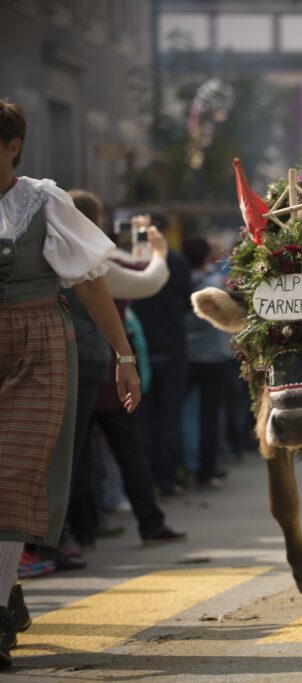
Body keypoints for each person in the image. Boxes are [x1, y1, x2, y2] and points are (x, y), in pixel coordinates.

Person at [0, 98, 141, 669]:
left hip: (38, 346)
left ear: (13, 146)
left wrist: (124, 353)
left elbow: (89, 283)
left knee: (12, 476)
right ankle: (8, 590)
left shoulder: (43, 200)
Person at [64, 192, 186, 549]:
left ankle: (82, 531)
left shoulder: (54, 250)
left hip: (77, 367)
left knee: (80, 455)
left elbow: (127, 265)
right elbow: (144, 278)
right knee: (126, 450)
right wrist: (158, 249)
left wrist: (137, 242)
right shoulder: (90, 261)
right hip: (103, 370)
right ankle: (149, 523)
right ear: (96, 219)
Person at [131, 217, 191, 496]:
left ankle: (146, 480)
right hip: (172, 346)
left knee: (143, 416)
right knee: (170, 415)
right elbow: (187, 300)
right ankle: (168, 478)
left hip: (139, 348)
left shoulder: (131, 260)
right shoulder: (176, 262)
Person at [183, 236, 234, 489]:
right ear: (205, 256)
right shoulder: (216, 286)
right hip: (213, 358)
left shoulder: (179, 281)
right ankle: (206, 469)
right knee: (210, 416)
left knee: (187, 414)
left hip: (186, 356)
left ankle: (188, 465)